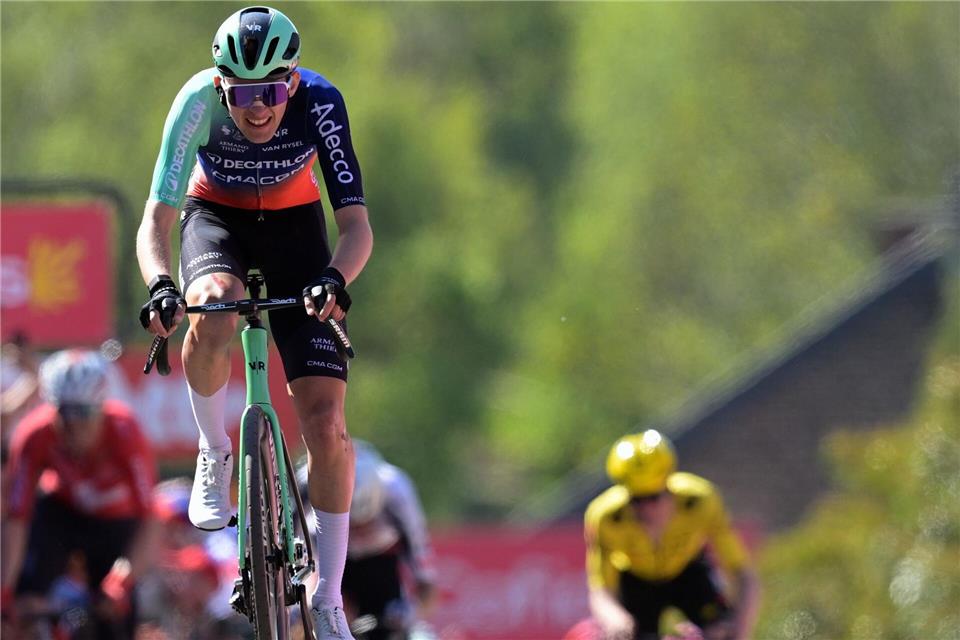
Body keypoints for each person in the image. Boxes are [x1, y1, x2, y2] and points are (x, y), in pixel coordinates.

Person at [135, 5, 373, 638]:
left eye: (270, 91)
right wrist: (162, 283)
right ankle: (216, 453)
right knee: (209, 306)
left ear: (290, 82)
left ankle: (326, 597)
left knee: (325, 424)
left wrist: (335, 279)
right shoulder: (196, 103)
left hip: (297, 234)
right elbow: (156, 218)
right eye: (242, 94)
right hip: (217, 220)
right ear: (221, 87)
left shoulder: (320, 99)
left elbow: (356, 227)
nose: (257, 109)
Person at [1, 349, 159, 640]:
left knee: (115, 613)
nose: (74, 425)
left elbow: (149, 519)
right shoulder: (34, 434)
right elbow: (17, 519)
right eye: (64, 413)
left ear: (101, 406)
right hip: (62, 512)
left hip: (115, 524)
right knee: (23, 600)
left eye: (84, 413)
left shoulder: (126, 431)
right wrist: (6, 590)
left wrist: (121, 581)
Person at [583, 430, 759, 640]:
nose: (646, 509)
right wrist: (616, 619)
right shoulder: (606, 517)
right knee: (622, 635)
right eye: (636, 501)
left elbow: (743, 574)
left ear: (670, 485)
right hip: (635, 581)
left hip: (689, 573)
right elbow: (601, 590)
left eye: (654, 497)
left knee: (720, 632)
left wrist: (739, 629)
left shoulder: (700, 500)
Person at [298, 441, 437, 639]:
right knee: (310, 618)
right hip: (327, 559)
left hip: (381, 566)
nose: (359, 531)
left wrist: (410, 612)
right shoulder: (306, 483)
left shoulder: (398, 491)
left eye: (367, 521)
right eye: (350, 526)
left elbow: (426, 580)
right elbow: (293, 561)